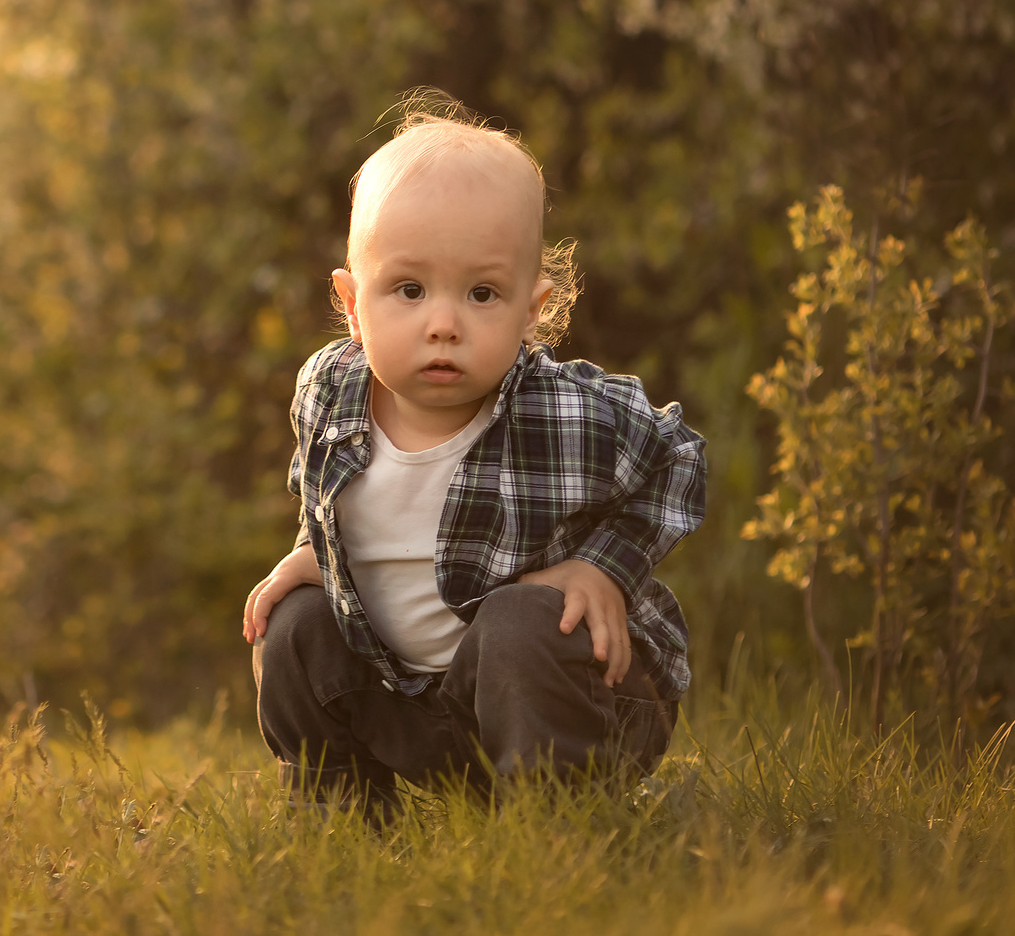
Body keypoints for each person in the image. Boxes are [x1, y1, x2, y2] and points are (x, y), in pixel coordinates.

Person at [240, 100, 705, 802]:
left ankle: (555, 818)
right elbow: (324, 490)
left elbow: (680, 458)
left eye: (482, 293)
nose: (443, 324)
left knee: (520, 618)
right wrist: (321, 552)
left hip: (579, 702)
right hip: (419, 703)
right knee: (294, 621)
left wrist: (603, 568)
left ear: (531, 308)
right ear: (352, 302)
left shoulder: (564, 410)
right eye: (409, 289)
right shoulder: (327, 391)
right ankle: (341, 816)